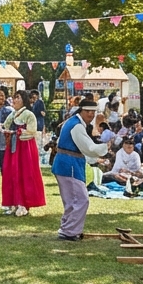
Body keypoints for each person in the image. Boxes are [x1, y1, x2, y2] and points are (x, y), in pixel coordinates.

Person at [52, 98, 109, 241]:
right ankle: (69, 231)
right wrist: (106, 147)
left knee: (71, 200)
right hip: (69, 165)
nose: (90, 114)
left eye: (93, 112)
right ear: (81, 110)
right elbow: (88, 147)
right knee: (80, 199)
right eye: (87, 111)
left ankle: (68, 228)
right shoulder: (76, 126)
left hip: (66, 163)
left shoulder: (72, 122)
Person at [1, 90, 45, 217]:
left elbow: (31, 132)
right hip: (13, 147)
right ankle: (13, 202)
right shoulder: (13, 114)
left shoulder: (29, 115)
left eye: (17, 98)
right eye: (14, 98)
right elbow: (6, 126)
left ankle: (24, 203)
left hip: (25, 148)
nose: (14, 100)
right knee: (11, 173)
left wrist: (18, 132)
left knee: (24, 173)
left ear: (24, 100)